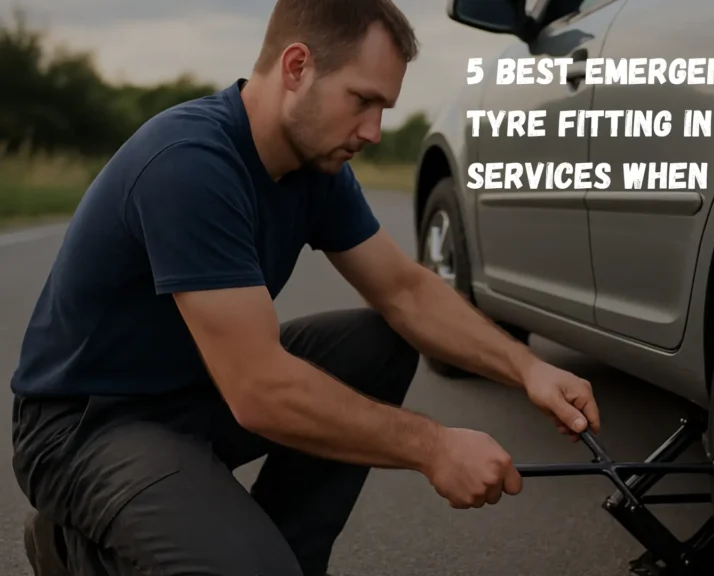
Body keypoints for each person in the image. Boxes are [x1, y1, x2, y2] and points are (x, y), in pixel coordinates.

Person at [9, 0, 601, 574]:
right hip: (88, 426)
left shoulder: (314, 165)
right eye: (362, 100)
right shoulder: (191, 163)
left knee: (378, 342)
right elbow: (261, 390)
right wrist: (434, 447)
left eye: (384, 109)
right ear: (297, 68)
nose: (372, 131)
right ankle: (72, 549)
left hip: (192, 393)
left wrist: (528, 370)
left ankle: (285, 555)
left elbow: (406, 292)